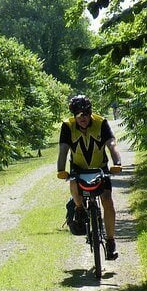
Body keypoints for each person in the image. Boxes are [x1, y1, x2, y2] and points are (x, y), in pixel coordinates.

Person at [56, 95, 122, 260]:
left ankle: (111, 241)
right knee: (72, 183)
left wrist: (117, 163)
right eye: (79, 114)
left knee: (107, 200)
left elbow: (112, 144)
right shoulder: (67, 126)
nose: (83, 117)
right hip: (78, 169)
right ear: (74, 115)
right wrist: (60, 169)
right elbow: (63, 149)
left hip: (100, 168)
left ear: (91, 112)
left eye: (86, 113)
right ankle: (79, 208)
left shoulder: (101, 123)